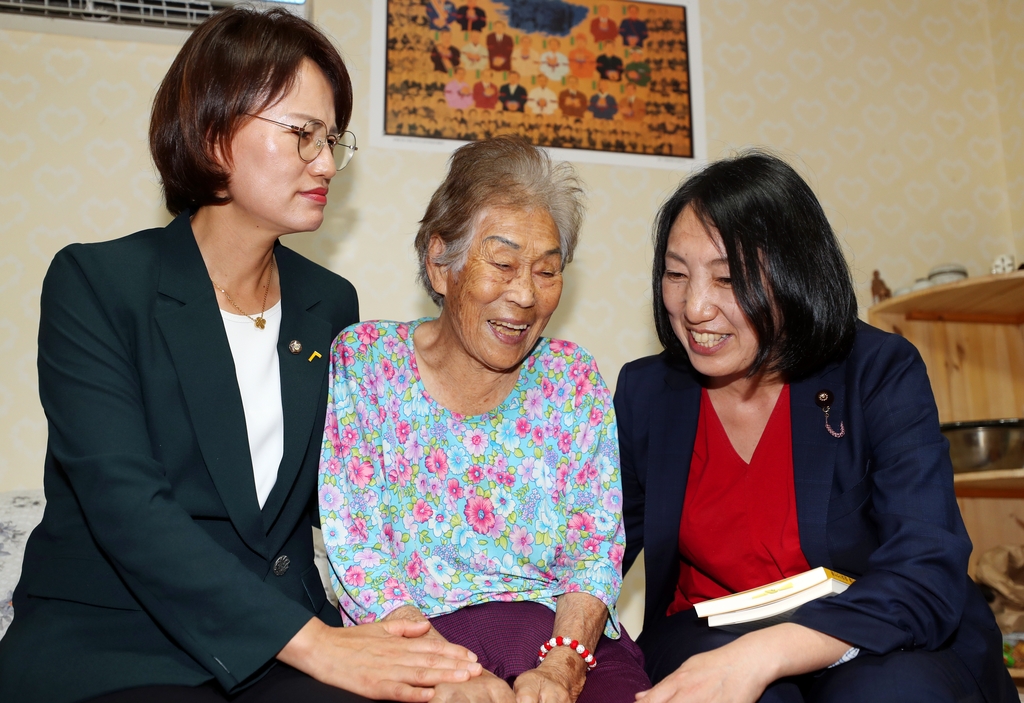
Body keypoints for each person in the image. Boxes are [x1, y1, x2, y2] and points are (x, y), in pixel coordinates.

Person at [0, 8, 481, 703]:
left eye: (331, 140)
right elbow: (128, 506)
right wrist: (320, 645)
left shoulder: (328, 304)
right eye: (302, 136)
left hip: (274, 646)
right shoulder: (97, 284)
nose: (326, 163)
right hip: (115, 642)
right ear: (213, 134)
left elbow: (339, 497)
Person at [615, 151, 1016, 703]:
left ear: (795, 275)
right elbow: (593, 553)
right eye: (676, 275)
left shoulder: (878, 371)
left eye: (728, 278)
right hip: (706, 632)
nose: (694, 307)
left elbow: (926, 566)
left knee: (890, 693)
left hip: (877, 629)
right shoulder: (647, 394)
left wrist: (769, 650)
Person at [318, 136, 650, 703]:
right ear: (440, 264)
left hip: (564, 644)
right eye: (502, 264)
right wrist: (449, 671)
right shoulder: (367, 361)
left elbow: (594, 550)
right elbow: (360, 549)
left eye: (547, 271)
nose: (524, 294)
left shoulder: (573, 380)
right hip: (418, 640)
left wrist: (562, 669)